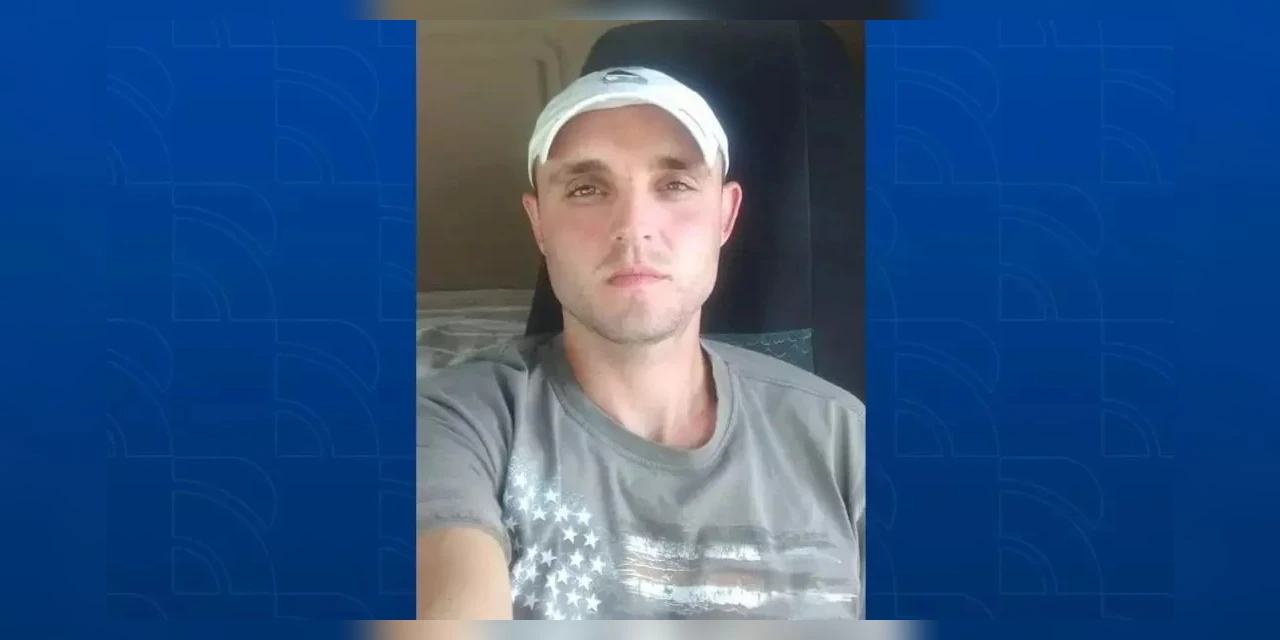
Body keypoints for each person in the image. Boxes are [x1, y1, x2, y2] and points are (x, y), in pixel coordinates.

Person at [417, 66, 865, 620]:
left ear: (725, 216)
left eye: (674, 185)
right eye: (586, 188)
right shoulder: (453, 422)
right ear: (539, 224)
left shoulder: (846, 438)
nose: (633, 225)